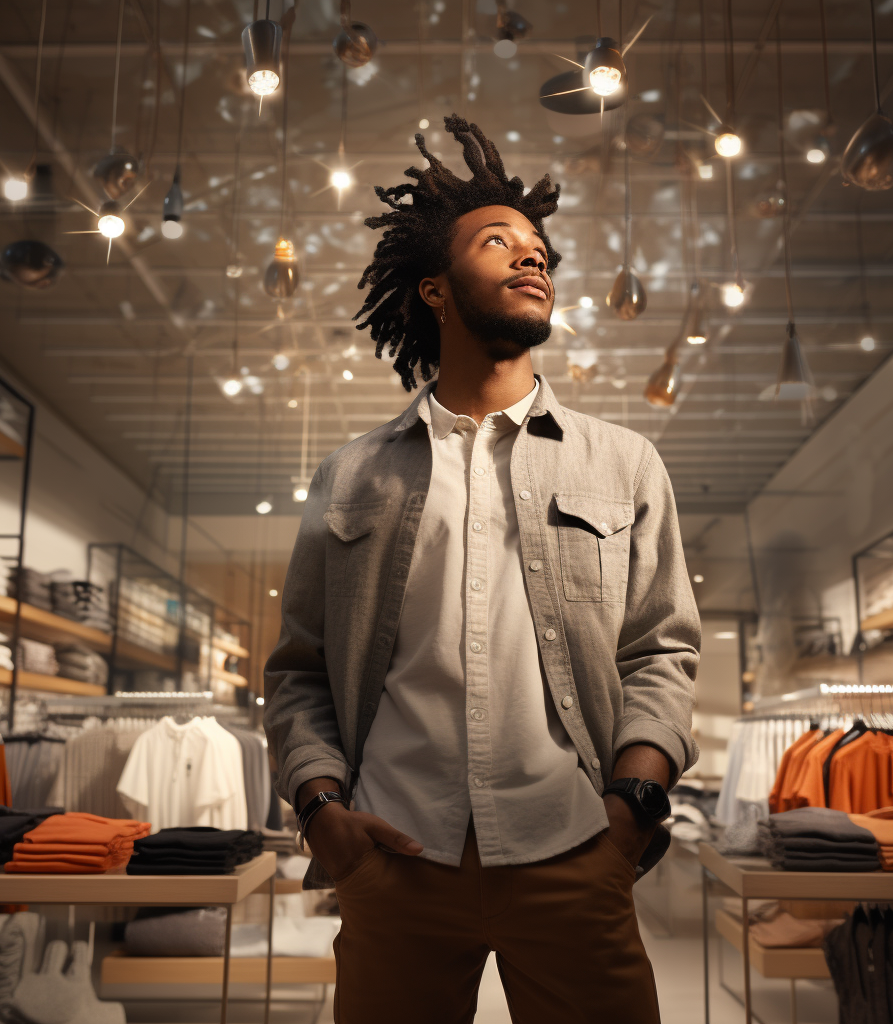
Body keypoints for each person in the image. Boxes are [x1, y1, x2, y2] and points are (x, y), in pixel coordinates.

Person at [264, 114, 700, 1024]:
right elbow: (298, 670)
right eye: (498, 241)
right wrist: (321, 810)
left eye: (539, 247)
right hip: (395, 860)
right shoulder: (352, 473)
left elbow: (661, 651)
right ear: (433, 288)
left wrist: (633, 804)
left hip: (576, 848)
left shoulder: (623, 464)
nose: (531, 257)